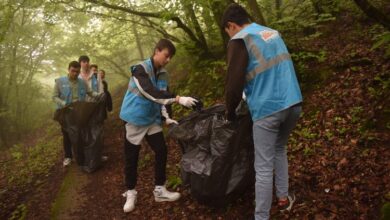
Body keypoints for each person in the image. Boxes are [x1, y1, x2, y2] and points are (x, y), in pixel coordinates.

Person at [221, 4, 303, 220]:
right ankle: (284, 198)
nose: (229, 35)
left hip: (268, 109)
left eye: (227, 31)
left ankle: (261, 217)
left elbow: (233, 85)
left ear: (231, 25)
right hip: (293, 102)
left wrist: (229, 111)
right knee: (280, 148)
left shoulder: (240, 39)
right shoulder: (271, 33)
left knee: (264, 167)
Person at [119, 39, 198, 213]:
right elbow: (149, 92)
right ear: (157, 51)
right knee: (132, 157)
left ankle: (159, 189)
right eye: (166, 55)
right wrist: (178, 98)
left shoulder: (163, 74)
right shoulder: (140, 69)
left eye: (170, 57)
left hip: (151, 119)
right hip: (134, 119)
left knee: (161, 150)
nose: (168, 60)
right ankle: (131, 191)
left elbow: (162, 97)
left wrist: (166, 117)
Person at [53, 61, 87, 167]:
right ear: (68, 70)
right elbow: (54, 97)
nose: (75, 73)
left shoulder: (82, 82)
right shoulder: (59, 82)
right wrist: (63, 103)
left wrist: (98, 95)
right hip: (65, 112)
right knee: (67, 134)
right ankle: (68, 156)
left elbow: (89, 92)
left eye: (77, 71)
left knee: (80, 133)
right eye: (73, 71)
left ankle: (82, 155)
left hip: (79, 111)